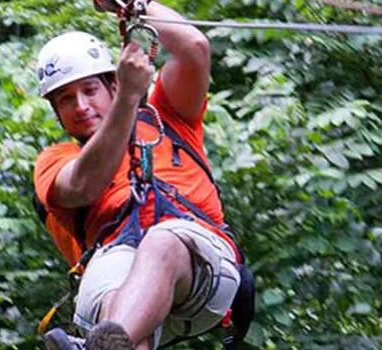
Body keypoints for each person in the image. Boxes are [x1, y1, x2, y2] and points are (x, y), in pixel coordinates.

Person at [32, 2, 243, 349]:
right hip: (115, 262)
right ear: (57, 114)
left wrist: (139, 5)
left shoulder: (166, 117)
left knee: (161, 243)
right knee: (121, 324)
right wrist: (128, 99)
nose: (81, 106)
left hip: (198, 256)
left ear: (112, 85)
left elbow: (193, 48)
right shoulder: (56, 160)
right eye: (67, 99)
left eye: (89, 90)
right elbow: (83, 186)